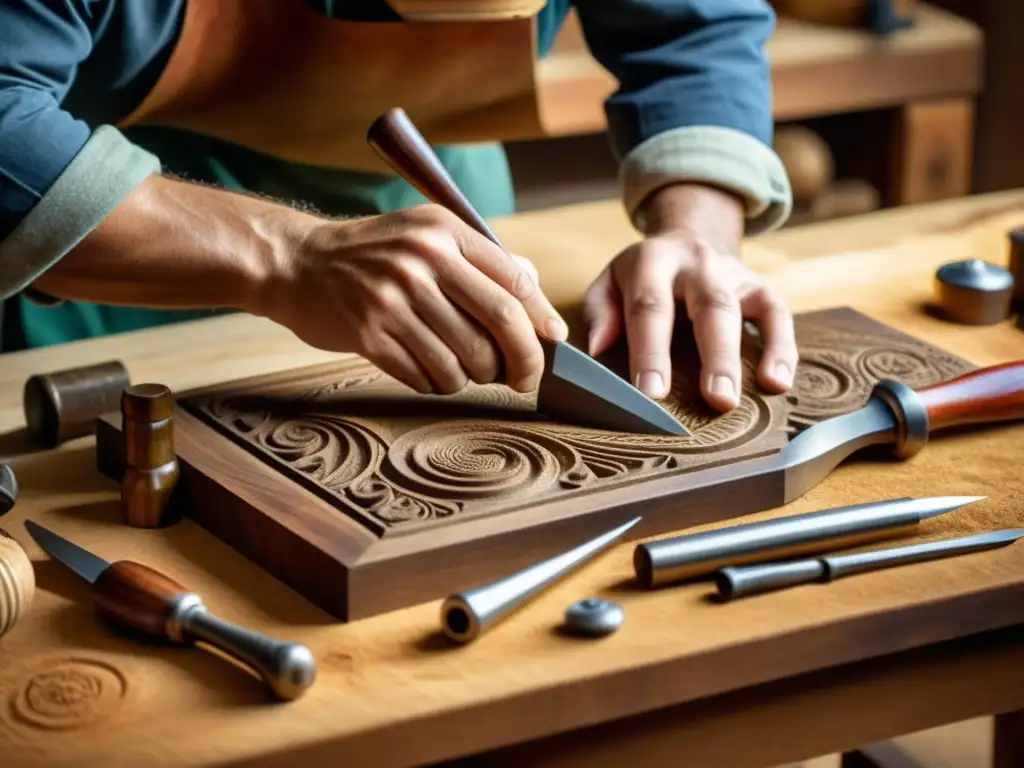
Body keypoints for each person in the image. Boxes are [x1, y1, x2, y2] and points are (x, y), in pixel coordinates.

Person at [0, 0, 797, 413]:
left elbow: (699, 26)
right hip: (103, 262)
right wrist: (287, 258)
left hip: (438, 216)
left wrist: (699, 226)